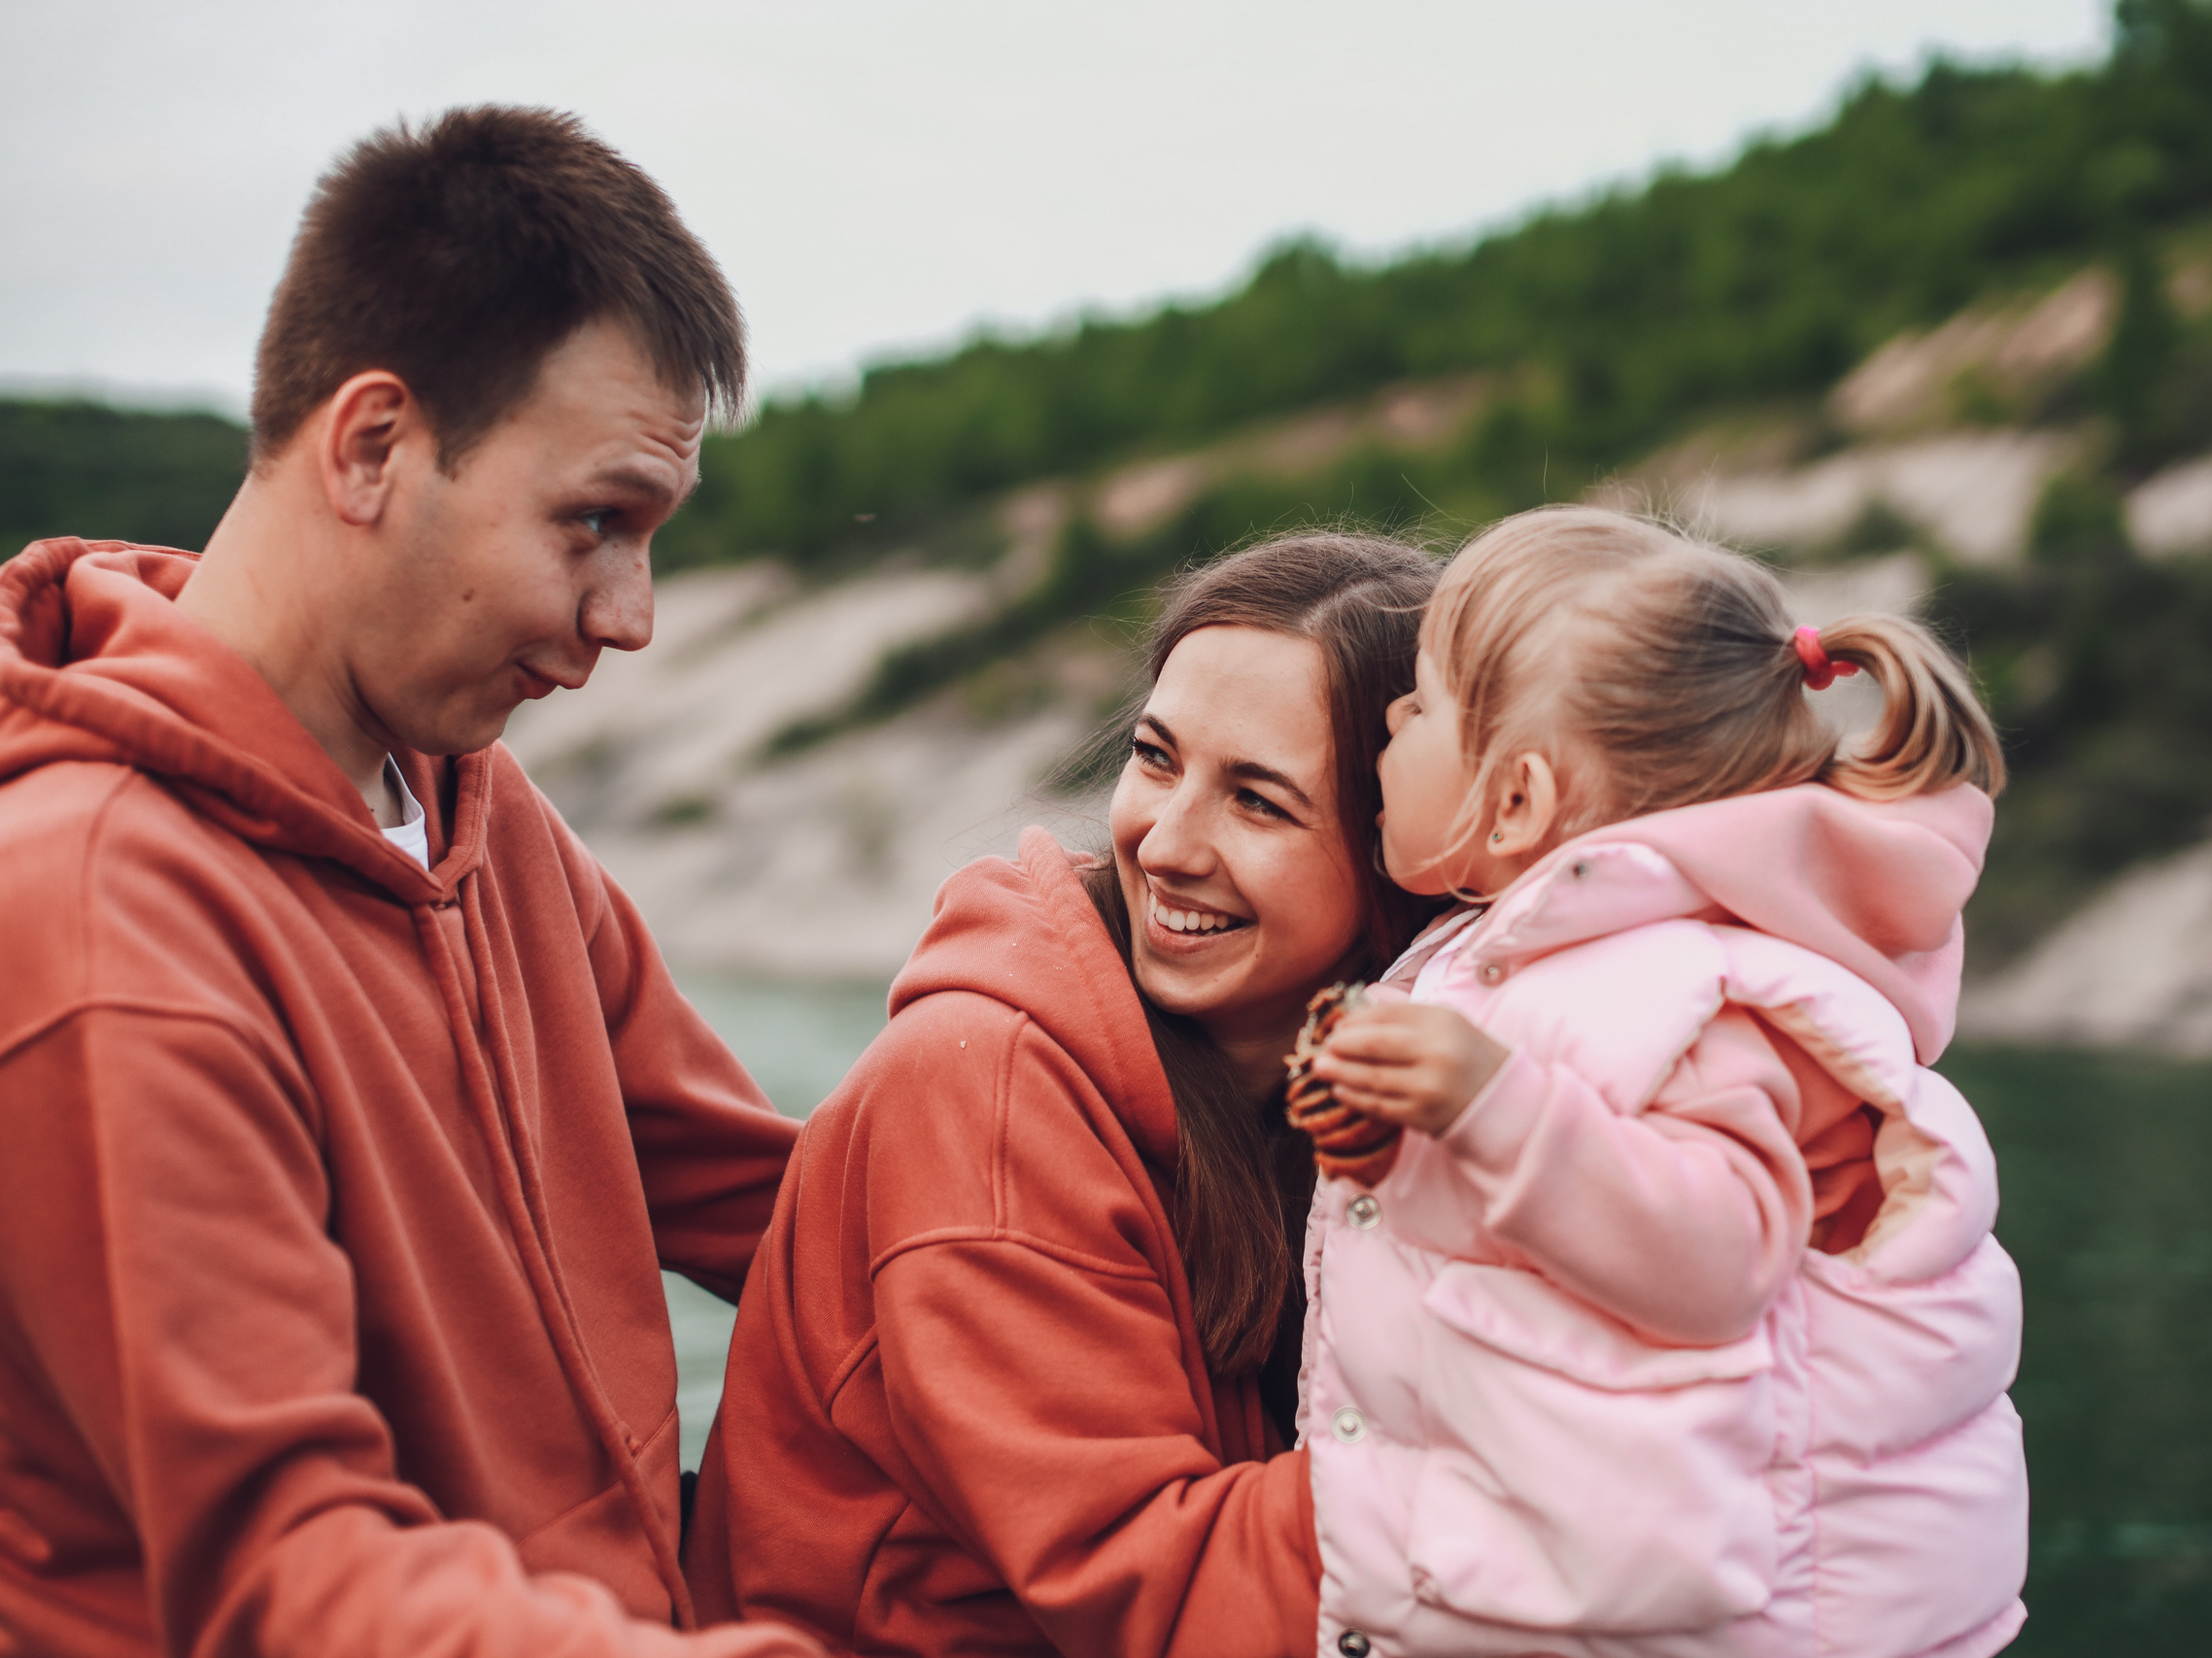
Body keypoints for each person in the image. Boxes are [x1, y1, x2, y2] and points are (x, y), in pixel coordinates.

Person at [0, 109, 822, 1656]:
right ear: (372, 445)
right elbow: (285, 1575)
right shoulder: (98, 915)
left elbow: (790, 1210)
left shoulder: (480, 813)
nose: (631, 615)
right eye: (596, 522)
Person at [685, 532, 1443, 1655]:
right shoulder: (981, 1089)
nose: (1165, 844)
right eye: (1155, 759)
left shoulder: (1404, 1086)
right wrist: (1550, 1448)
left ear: (1409, 852)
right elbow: (1155, 1582)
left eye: (1257, 801)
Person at [1297, 504, 2029, 1658]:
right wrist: (1396, 1141)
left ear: (1520, 800)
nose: (1390, 715)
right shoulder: (1523, 959)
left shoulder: (1696, 992)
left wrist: (1488, 1103)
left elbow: (1718, 1255)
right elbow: (1540, 1225)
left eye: (1424, 701)